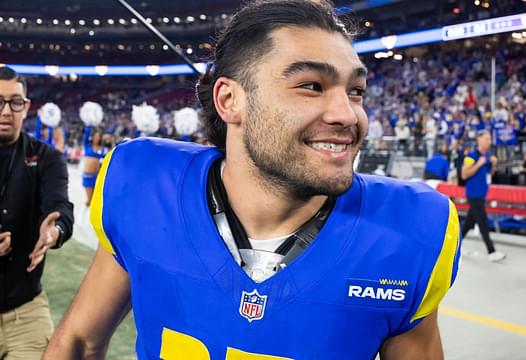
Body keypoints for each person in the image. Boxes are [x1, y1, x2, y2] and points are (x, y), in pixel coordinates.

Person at [45, 1, 461, 359]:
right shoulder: (146, 187)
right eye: (312, 86)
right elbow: (78, 343)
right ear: (229, 100)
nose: (348, 115)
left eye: (355, 91)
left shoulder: (410, 231)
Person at [0, 66, 74, 359]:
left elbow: (61, 209)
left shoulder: (47, 158)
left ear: (26, 106)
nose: (6, 111)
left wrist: (54, 231)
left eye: (15, 102)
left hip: (25, 313)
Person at [460, 130, 506, 262]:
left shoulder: (488, 156)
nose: (489, 141)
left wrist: (493, 165)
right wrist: (478, 164)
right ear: (479, 139)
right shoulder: (471, 156)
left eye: (490, 139)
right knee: (483, 223)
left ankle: (454, 246)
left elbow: (489, 174)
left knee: (468, 224)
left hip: (481, 194)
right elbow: (464, 174)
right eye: (486, 139)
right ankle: (491, 251)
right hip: (473, 194)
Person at [81, 126, 107, 206]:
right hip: (88, 176)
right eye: (95, 136)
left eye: (98, 137)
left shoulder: (102, 148)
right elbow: (86, 134)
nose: (96, 138)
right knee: (89, 201)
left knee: (97, 200)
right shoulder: (87, 145)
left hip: (97, 176)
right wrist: (89, 125)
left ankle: (94, 217)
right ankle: (85, 216)